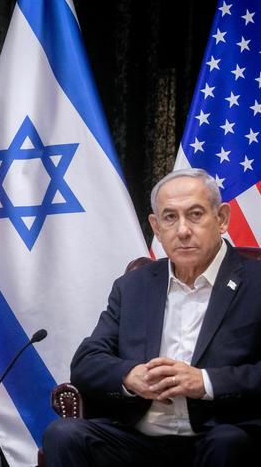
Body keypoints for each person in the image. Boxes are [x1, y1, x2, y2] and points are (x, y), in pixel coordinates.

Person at [43, 168, 261, 466]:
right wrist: (130, 377)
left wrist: (205, 382)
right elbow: (86, 361)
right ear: (156, 228)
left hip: (219, 434)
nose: (183, 230)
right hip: (138, 438)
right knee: (63, 434)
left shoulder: (255, 281)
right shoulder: (134, 285)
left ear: (221, 219)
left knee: (228, 443)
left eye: (195, 214)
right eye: (170, 217)